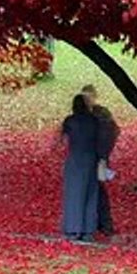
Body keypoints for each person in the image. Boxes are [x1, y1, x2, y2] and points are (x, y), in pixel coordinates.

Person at [60, 93, 104, 241]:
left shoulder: (70, 121)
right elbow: (100, 140)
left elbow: (62, 141)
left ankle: (73, 228)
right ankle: (88, 230)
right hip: (91, 158)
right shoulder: (94, 121)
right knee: (90, 194)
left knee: (73, 194)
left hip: (75, 159)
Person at [82, 85, 120, 236]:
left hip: (98, 156)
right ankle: (97, 222)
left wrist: (103, 157)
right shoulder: (84, 114)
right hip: (87, 156)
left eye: (89, 96)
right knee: (91, 190)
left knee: (98, 191)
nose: (87, 100)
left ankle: (104, 224)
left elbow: (110, 133)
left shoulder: (102, 114)